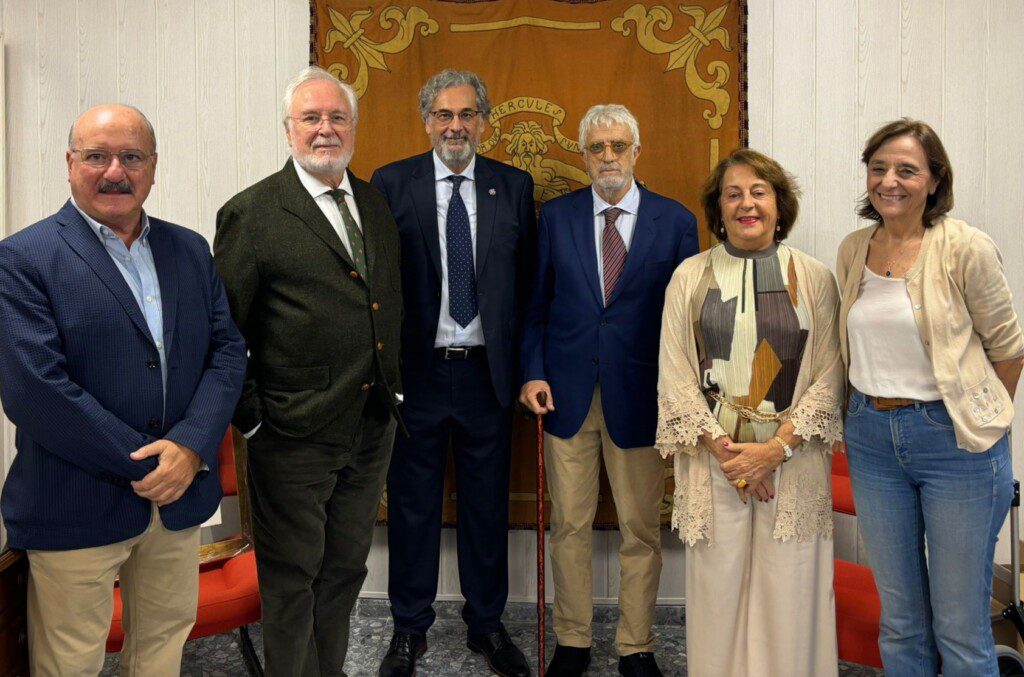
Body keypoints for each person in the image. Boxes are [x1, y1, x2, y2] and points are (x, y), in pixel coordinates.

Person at [0, 104, 246, 676]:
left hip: (176, 503)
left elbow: (227, 352)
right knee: (70, 664)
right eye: (96, 156)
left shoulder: (189, 249)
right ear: (69, 164)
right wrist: (148, 464)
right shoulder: (22, 258)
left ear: (153, 167)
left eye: (131, 157)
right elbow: (36, 390)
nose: (115, 171)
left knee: (161, 650)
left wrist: (187, 449)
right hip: (74, 503)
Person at [213, 66, 404, 676]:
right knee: (292, 578)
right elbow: (223, 332)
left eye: (337, 118)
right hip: (291, 434)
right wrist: (253, 421)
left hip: (370, 428)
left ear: (354, 126)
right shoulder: (253, 213)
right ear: (288, 130)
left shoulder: (373, 203)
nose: (326, 130)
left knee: (345, 569)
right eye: (312, 119)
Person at [837, 118, 1024, 676]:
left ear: (935, 180)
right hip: (871, 440)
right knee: (900, 620)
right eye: (878, 168)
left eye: (906, 170)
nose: (889, 181)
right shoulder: (854, 248)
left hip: (955, 447)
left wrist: (979, 419)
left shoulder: (965, 246)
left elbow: (1009, 349)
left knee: (961, 627)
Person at [519, 104, 699, 677]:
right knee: (568, 525)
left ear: (636, 151)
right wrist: (532, 371)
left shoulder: (674, 222)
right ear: (583, 155)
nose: (608, 157)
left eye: (618, 146)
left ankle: (635, 646)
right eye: (597, 148)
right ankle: (572, 642)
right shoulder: (557, 217)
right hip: (566, 395)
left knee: (640, 530)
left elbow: (686, 318)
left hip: (642, 396)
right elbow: (535, 306)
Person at [370, 70, 534, 677]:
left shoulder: (512, 187)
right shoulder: (392, 183)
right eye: (444, 115)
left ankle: (486, 627)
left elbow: (526, 287)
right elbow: (378, 286)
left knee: (485, 507)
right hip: (418, 375)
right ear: (427, 121)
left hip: (487, 376)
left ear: (484, 122)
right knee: (412, 507)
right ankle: (408, 631)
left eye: (467, 114)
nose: (456, 126)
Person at [656, 148, 843, 676]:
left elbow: (830, 376)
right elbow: (675, 375)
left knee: (790, 593)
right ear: (718, 208)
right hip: (716, 464)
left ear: (780, 205)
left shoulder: (815, 278)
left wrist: (774, 450)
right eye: (733, 194)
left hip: (793, 462)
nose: (746, 204)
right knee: (718, 598)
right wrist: (731, 456)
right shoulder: (690, 277)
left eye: (758, 192)